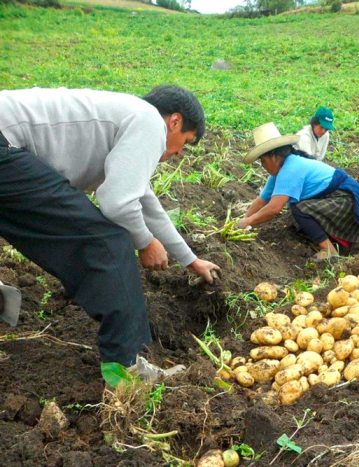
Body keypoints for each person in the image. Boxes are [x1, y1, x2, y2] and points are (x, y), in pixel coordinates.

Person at [0, 85, 221, 387]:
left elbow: (145, 202)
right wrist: (145, 242)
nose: (180, 153)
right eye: (186, 142)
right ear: (174, 122)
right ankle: (125, 369)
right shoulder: (148, 121)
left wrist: (190, 260)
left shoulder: (127, 115)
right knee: (109, 242)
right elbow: (118, 204)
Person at [238, 122, 359, 261]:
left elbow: (274, 209)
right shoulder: (280, 170)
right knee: (298, 210)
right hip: (334, 197)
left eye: (263, 161)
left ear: (273, 157)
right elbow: (262, 200)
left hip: (346, 200)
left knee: (299, 209)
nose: (263, 166)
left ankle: (329, 250)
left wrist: (248, 221)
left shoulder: (290, 169)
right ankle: (326, 239)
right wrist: (243, 221)